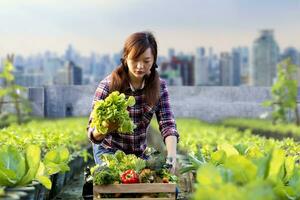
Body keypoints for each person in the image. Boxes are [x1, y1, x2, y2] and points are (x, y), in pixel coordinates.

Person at [86, 31, 179, 173]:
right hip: (108, 150)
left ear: (154, 60)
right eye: (135, 60)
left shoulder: (159, 87)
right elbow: (92, 134)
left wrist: (171, 157)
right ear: (125, 58)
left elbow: (167, 123)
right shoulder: (108, 85)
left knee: (163, 188)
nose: (140, 66)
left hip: (138, 153)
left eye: (146, 61)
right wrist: (106, 127)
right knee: (116, 184)